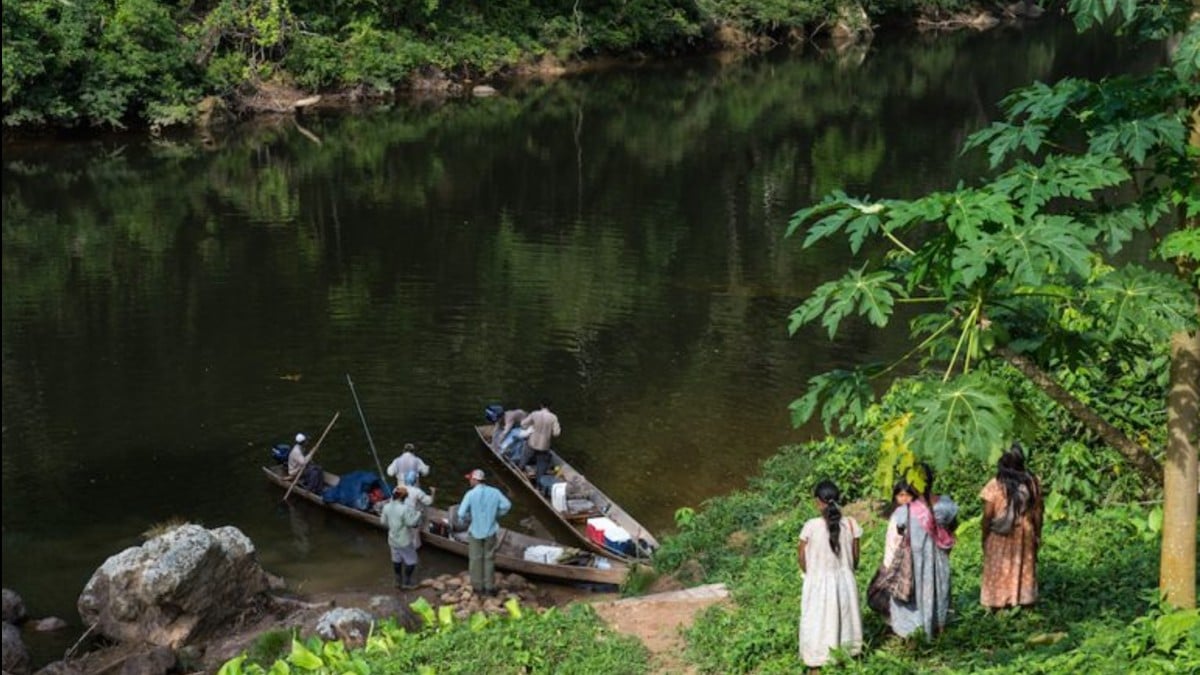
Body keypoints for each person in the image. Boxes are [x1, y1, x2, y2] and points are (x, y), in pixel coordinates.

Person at [797, 480, 862, 670]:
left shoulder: (811, 526)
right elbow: (856, 558)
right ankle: (846, 658)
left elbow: (802, 558)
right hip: (845, 583)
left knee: (818, 623)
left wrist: (813, 574)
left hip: (817, 584)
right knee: (845, 621)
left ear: (818, 502)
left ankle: (816, 664)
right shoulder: (850, 524)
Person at [888, 464, 958, 640]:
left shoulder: (904, 511)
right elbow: (952, 526)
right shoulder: (946, 505)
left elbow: (898, 534)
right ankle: (940, 630)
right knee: (939, 591)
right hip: (939, 559)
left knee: (915, 597)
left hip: (914, 562)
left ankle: (915, 634)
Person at [980, 443, 1044, 610]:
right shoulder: (1032, 482)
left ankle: (999, 603)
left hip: (1000, 534)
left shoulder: (994, 485)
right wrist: (1037, 534)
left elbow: (987, 516)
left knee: (999, 567)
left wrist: (984, 538)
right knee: (1023, 565)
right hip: (1024, 531)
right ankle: (1023, 600)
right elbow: (1038, 512)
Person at [867, 480, 918, 619]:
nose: (905, 499)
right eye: (901, 495)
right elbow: (891, 542)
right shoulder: (896, 517)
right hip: (893, 561)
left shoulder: (913, 515)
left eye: (908, 495)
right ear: (895, 497)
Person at [457, 468, 512, 596]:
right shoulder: (495, 492)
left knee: (475, 559)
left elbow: (460, 513)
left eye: (470, 479)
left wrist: (467, 518)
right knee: (489, 559)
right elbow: (507, 505)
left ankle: (477, 587)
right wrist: (496, 514)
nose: (469, 481)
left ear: (475, 480)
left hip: (475, 532)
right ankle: (489, 587)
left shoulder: (470, 494)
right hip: (491, 531)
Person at [380, 485, 423, 589]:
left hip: (392, 539)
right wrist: (418, 514)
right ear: (403, 498)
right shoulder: (404, 509)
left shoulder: (386, 507)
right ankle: (407, 582)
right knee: (412, 561)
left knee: (396, 560)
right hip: (404, 540)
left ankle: (398, 581)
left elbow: (382, 522)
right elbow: (411, 523)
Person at [520, 401, 561, 483]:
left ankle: (520, 470)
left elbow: (523, 424)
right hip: (544, 446)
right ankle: (539, 483)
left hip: (532, 443)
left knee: (524, 459)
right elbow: (556, 433)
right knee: (541, 467)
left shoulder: (534, 414)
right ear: (551, 407)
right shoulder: (553, 417)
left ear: (541, 405)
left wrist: (531, 427)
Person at [401, 470, 435, 553]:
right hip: (414, 519)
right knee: (415, 540)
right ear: (415, 481)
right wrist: (433, 492)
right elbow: (429, 502)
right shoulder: (418, 492)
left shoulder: (400, 489)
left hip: (403, 516)